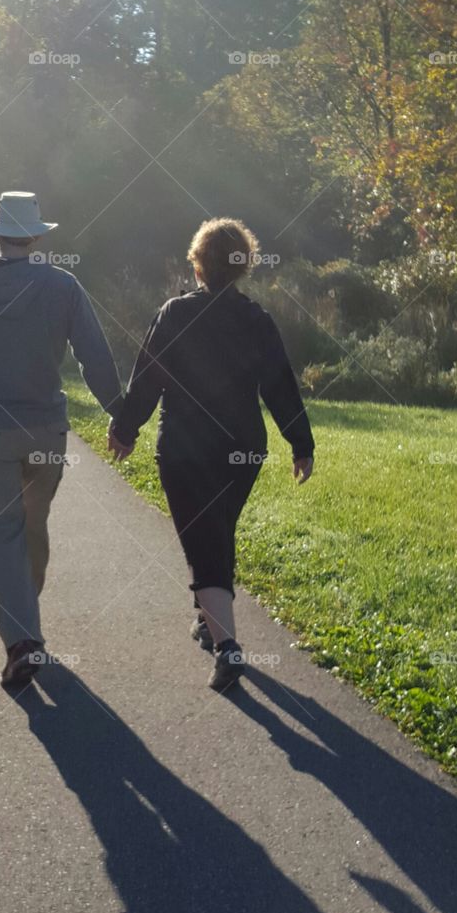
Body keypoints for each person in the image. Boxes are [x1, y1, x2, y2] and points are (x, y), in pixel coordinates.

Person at [108, 217, 315, 692]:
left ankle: (227, 648)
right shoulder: (257, 321)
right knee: (215, 531)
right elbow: (280, 386)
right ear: (243, 269)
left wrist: (125, 429)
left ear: (198, 266)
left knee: (204, 539)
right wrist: (300, 444)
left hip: (184, 447)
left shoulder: (175, 314)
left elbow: (147, 380)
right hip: (242, 450)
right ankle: (209, 618)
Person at [0, 191, 123, 688]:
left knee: (2, 534)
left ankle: (22, 641)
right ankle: (26, 624)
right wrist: (118, 411)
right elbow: (94, 355)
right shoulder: (63, 285)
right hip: (45, 431)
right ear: (35, 237)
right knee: (33, 527)